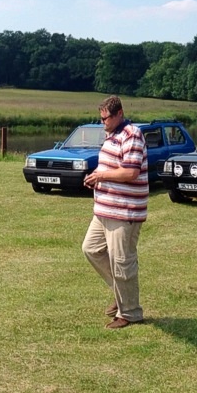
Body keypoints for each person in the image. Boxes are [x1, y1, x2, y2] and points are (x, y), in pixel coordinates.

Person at [81, 96, 149, 329]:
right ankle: (121, 293)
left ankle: (130, 313)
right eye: (100, 119)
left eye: (105, 118)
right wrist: (95, 177)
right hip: (104, 210)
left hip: (125, 212)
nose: (103, 123)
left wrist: (101, 176)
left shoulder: (132, 135)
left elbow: (130, 172)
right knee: (91, 249)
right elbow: (110, 167)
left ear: (119, 113)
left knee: (122, 262)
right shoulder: (112, 136)